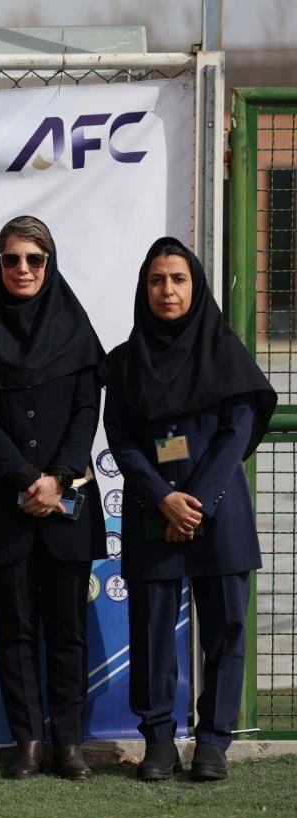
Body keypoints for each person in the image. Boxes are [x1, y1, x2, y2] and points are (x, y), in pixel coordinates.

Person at [102, 236, 276, 782]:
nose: (168, 290)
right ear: (144, 288)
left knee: (226, 628)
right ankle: (158, 740)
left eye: (178, 279)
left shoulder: (226, 353)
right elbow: (121, 437)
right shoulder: (126, 362)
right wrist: (163, 498)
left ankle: (213, 742)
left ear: (195, 287)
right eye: (157, 280)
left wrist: (193, 504)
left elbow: (236, 432)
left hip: (217, 513)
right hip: (152, 509)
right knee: (152, 631)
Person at [0, 216, 107, 780]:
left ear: (50, 264)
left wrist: (60, 477)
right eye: (11, 259)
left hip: (68, 501)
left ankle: (68, 744)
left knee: (67, 629)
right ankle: (27, 742)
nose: (22, 269)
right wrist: (25, 478)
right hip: (7, 501)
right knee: (15, 629)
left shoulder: (75, 327)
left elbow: (86, 410)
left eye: (34, 259)